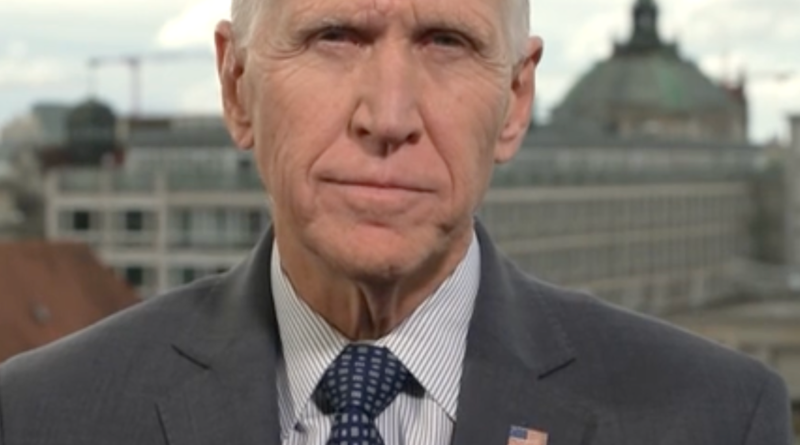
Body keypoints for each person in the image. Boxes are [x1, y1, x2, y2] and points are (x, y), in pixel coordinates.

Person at [0, 0, 793, 443]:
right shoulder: (42, 417)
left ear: (516, 100)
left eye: (446, 42)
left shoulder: (716, 421)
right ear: (237, 86)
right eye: (334, 36)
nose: (388, 116)